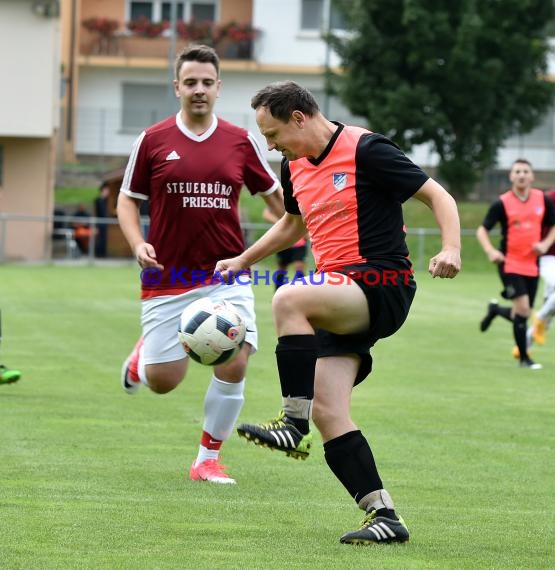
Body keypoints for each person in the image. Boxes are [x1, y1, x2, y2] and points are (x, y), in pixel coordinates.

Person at [214, 81, 461, 544]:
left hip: (381, 282)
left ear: (299, 118)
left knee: (288, 298)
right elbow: (291, 227)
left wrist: (451, 248)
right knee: (329, 412)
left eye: (273, 133)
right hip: (338, 295)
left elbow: (439, 197)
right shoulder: (293, 167)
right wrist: (243, 260)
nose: (270, 145)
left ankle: (290, 423)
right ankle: (385, 516)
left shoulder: (366, 149)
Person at [116, 45, 284, 485]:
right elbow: (127, 201)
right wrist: (137, 244)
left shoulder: (239, 140)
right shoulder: (151, 141)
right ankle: (140, 361)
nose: (199, 90)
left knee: (236, 359)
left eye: (207, 83)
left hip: (225, 273)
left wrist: (300, 219)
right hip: (166, 278)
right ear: (177, 88)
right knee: (164, 381)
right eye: (190, 82)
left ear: (218, 88)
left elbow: (279, 203)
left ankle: (206, 460)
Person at [477, 159, 555, 369]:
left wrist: (545, 244)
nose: (521, 175)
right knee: (523, 309)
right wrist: (491, 251)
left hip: (533, 264)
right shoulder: (502, 203)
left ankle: (494, 311)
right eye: (517, 171)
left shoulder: (542, 199)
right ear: (511, 176)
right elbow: (482, 230)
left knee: (524, 312)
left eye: (525, 171)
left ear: (532, 176)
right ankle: (524, 358)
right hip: (509, 264)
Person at [526, 188, 555, 348]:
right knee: (549, 308)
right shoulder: (550, 197)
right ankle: (540, 319)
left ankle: (523, 347)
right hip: (548, 256)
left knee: (550, 306)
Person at [262, 206, 308, 289]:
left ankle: (302, 295)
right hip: (283, 242)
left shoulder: (302, 197)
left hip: (299, 243)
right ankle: (277, 294)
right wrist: (283, 224)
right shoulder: (281, 196)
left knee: (299, 270)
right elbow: (266, 214)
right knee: (281, 271)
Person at [94, 183, 111, 258]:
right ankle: (98, 254)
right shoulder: (98, 200)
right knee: (100, 239)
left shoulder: (106, 201)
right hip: (100, 223)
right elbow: (98, 213)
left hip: (104, 223)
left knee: (104, 239)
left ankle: (102, 254)